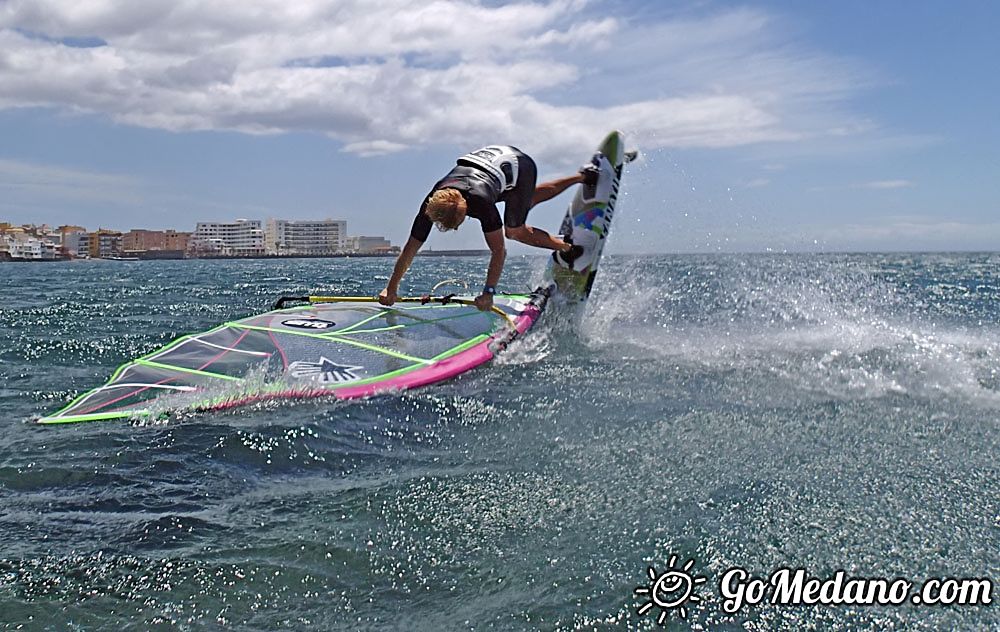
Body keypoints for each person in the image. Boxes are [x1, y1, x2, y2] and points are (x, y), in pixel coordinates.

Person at [378, 145, 598, 311]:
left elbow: (498, 251)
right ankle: (584, 176)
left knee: (514, 231)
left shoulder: (481, 202)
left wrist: (488, 292)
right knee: (523, 203)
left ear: (464, 209)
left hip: (519, 166)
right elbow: (410, 249)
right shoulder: (432, 203)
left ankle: (568, 247)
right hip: (492, 166)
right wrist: (391, 288)